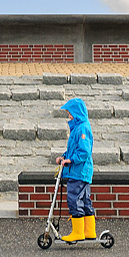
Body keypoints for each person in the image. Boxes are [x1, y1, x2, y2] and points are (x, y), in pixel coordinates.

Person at [55, 97, 96, 242]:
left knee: (73, 198)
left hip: (79, 172)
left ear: (77, 113)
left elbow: (84, 152)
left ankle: (78, 232)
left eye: (70, 113)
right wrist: (64, 157)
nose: (69, 116)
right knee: (84, 200)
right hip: (80, 171)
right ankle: (89, 231)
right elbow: (73, 149)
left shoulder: (82, 128)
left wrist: (71, 160)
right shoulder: (78, 128)